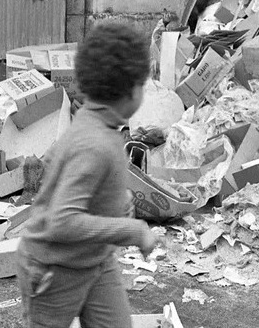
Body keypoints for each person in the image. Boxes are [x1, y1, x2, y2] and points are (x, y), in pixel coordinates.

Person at [16, 21, 158, 328]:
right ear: (131, 91)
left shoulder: (94, 124)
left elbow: (61, 166)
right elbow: (62, 222)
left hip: (96, 261)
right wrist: (132, 231)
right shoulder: (95, 143)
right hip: (53, 270)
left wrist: (113, 199)